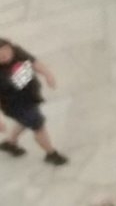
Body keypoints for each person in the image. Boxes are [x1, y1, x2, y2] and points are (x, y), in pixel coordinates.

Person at [0, 38, 69, 166]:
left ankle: (10, 143)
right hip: (16, 106)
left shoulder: (17, 52)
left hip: (30, 97)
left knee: (25, 121)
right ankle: (51, 154)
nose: (4, 55)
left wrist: (47, 74)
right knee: (38, 126)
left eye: (6, 51)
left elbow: (33, 62)